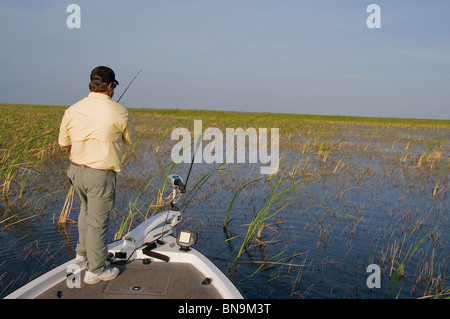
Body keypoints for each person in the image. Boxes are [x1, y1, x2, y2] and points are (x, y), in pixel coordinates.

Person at [58, 66, 136, 284]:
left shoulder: (72, 110)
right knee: (98, 223)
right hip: (100, 174)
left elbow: (63, 143)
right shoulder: (119, 111)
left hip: (76, 171)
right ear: (110, 87)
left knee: (85, 210)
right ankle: (96, 270)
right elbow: (130, 140)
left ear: (92, 84)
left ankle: (82, 254)